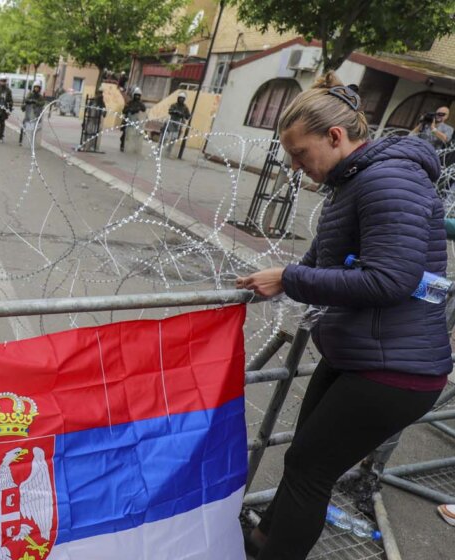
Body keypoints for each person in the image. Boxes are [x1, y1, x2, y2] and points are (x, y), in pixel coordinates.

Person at [236, 73, 450, 560]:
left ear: (335, 137)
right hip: (362, 355)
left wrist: (288, 278)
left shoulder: (386, 180)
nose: (294, 167)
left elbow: (389, 279)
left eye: (300, 154)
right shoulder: (351, 182)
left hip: (394, 371)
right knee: (304, 462)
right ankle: (264, 540)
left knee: (310, 469)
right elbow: (321, 261)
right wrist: (279, 278)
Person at [163, 91, 191, 157]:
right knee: (166, 137)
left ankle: (168, 151)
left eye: (183, 99)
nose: (181, 100)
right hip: (171, 122)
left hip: (178, 125)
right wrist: (176, 112)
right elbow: (170, 111)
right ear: (178, 98)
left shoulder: (185, 108)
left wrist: (184, 115)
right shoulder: (174, 105)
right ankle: (160, 148)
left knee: (174, 138)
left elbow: (188, 116)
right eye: (180, 98)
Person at [120, 87, 146, 152]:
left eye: (138, 95)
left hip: (136, 122)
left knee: (136, 136)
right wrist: (130, 110)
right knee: (124, 135)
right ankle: (123, 146)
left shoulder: (141, 104)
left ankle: (134, 148)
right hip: (128, 121)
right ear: (134, 95)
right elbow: (124, 110)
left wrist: (137, 110)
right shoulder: (130, 103)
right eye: (136, 95)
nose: (137, 96)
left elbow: (144, 109)